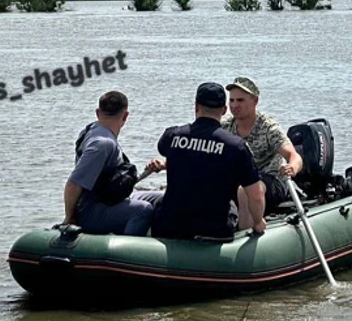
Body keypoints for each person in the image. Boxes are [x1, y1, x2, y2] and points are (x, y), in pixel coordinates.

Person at [146, 82, 267, 240]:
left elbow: (182, 156)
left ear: (196, 107)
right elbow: (256, 195)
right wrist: (258, 222)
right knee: (231, 205)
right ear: (224, 110)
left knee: (161, 202)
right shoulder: (235, 146)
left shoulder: (172, 135)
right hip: (213, 230)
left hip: (169, 227)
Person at [62, 90, 158, 235]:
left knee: (159, 198)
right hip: (91, 211)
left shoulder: (93, 130)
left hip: (109, 199)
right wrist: (69, 218)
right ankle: (127, 247)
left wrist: (148, 171)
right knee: (142, 210)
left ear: (97, 113)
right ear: (125, 116)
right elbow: (73, 184)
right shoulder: (101, 144)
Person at [222, 76, 303, 226]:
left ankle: (247, 232)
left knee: (246, 190)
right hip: (238, 179)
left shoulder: (268, 127)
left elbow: (293, 156)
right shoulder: (225, 126)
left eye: (240, 100)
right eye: (231, 100)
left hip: (270, 181)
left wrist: (292, 167)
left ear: (255, 101)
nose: (234, 105)